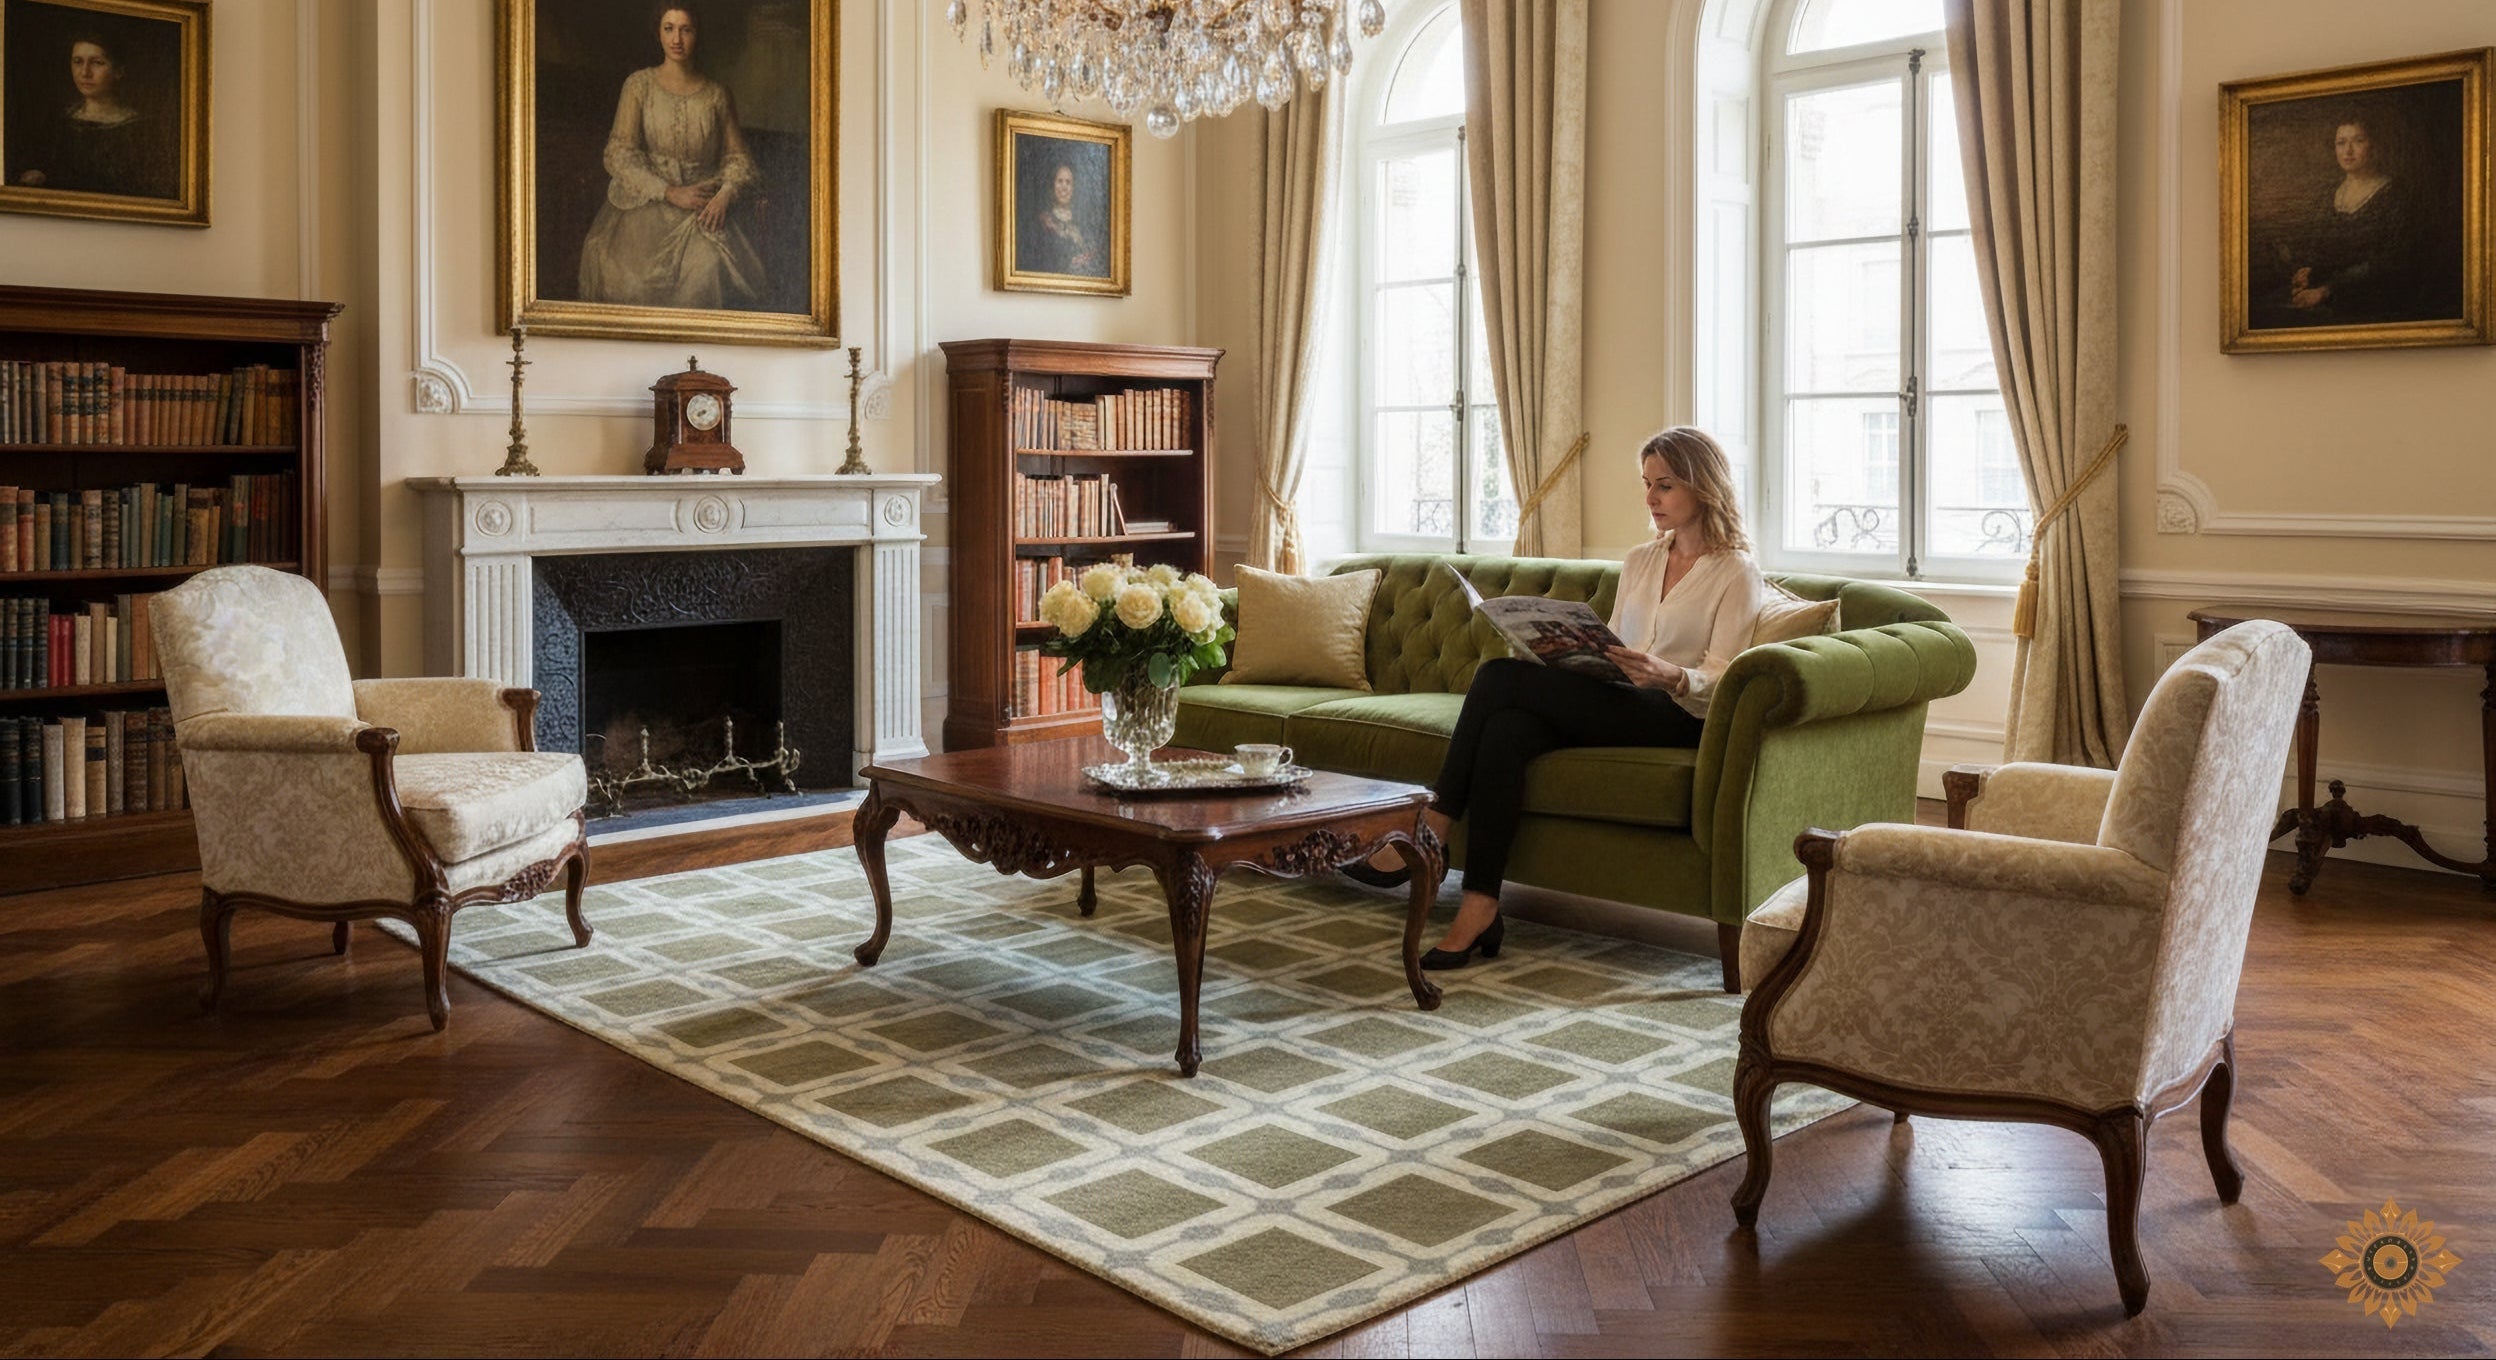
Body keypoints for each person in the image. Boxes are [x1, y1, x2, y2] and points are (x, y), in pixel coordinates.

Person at [1344, 427, 1766, 970]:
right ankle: (1479, 907)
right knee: (1507, 732)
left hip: (1680, 713)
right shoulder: (1641, 559)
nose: (1650, 499)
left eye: (1664, 486)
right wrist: (1573, 656)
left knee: (1498, 677)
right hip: (1620, 698)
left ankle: (1434, 827)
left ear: (1702, 486)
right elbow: (1616, 637)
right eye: (1646, 485)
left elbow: (1725, 673)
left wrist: (1671, 675)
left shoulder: (1736, 569)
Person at [576, 4, 768, 310]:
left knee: (705, 270)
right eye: (669, 28)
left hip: (702, 208)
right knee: (623, 274)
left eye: (686, 29)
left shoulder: (717, 94)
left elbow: (738, 158)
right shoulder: (638, 85)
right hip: (646, 205)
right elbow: (619, 152)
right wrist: (668, 192)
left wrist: (725, 195)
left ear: (697, 35)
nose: (677, 38)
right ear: (658, 33)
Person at [2263, 118, 2424, 327]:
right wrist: (2308, 271)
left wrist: (2327, 290)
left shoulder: (2394, 195)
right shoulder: (2329, 194)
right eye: (2341, 142)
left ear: (2374, 146)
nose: (2348, 150)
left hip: (2373, 299)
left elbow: (2391, 262)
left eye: (2358, 141)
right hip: (2323, 291)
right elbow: (2322, 249)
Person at [10, 33, 177, 199]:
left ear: (119, 71)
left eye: (97, 63)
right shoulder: (57, 123)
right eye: (78, 62)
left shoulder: (141, 129)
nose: (85, 72)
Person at [1024, 161, 1103, 276]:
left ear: (1073, 188)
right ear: (1053, 185)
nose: (1064, 187)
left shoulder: (1084, 221)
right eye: (1059, 181)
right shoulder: (1042, 222)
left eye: (1068, 182)